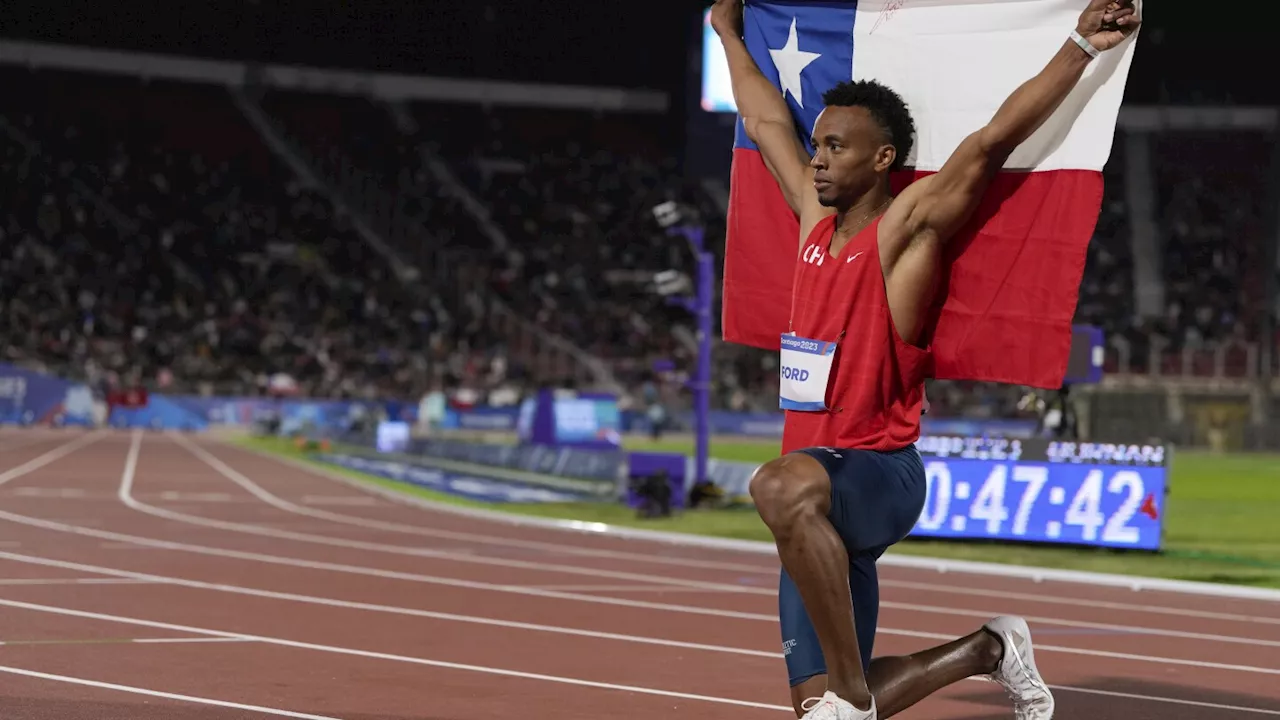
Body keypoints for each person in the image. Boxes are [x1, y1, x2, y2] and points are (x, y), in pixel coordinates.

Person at [708, 0, 1141, 718]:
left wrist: (1078, 45)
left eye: (837, 147)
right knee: (815, 710)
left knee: (776, 488)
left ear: (883, 158)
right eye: (818, 146)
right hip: (814, 503)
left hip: (878, 472)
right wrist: (726, 32)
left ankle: (849, 694)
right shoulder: (814, 229)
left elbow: (988, 143)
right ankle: (987, 649)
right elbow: (763, 121)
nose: (817, 158)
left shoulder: (903, 232)